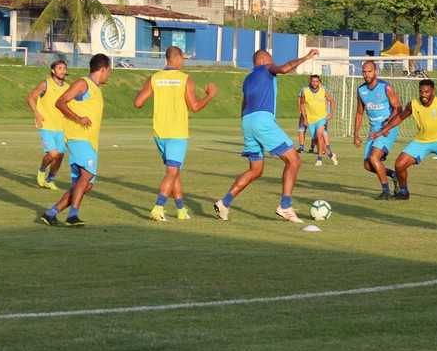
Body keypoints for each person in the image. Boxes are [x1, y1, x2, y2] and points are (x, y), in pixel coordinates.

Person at [213, 48, 319, 223]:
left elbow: (244, 103)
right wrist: (306, 58)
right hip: (262, 120)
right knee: (294, 160)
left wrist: (247, 125)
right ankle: (285, 206)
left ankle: (225, 203)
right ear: (263, 59)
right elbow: (285, 69)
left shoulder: (247, 79)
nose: (273, 62)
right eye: (271, 59)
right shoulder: (266, 68)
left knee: (256, 169)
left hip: (247, 121)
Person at [133, 46, 217, 221]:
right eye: (183, 59)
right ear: (177, 57)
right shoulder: (185, 79)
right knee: (172, 172)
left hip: (159, 132)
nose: (183, 62)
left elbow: (138, 102)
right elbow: (194, 107)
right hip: (177, 132)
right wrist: (209, 96)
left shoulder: (154, 78)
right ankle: (158, 207)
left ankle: (180, 209)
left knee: (174, 171)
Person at [40, 53, 111, 227]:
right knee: (86, 175)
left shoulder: (96, 89)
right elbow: (61, 102)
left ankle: (51, 213)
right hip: (79, 138)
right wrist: (78, 118)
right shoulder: (82, 83)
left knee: (86, 184)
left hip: (90, 141)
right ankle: (73, 216)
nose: (109, 75)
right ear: (103, 69)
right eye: (109, 71)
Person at [354, 60, 402, 200]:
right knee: (368, 165)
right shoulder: (361, 90)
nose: (366, 74)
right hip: (374, 129)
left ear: (375, 72)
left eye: (369, 71)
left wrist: (387, 123)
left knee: (374, 158)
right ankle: (393, 175)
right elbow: (359, 113)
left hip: (388, 127)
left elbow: (398, 108)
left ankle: (386, 191)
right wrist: (356, 134)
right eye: (364, 72)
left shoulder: (386, 87)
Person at [26, 60, 69, 191]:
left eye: (64, 68)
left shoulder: (68, 87)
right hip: (46, 126)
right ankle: (42, 170)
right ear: (53, 70)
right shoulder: (45, 84)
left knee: (60, 155)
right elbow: (30, 98)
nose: (62, 71)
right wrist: (37, 115)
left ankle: (50, 180)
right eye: (59, 68)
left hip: (61, 127)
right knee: (53, 154)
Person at [298, 74, 337, 166]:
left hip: (321, 118)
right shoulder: (305, 91)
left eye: (316, 81)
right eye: (313, 81)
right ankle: (331, 155)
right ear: (310, 82)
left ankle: (319, 159)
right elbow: (302, 104)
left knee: (319, 136)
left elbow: (332, 100)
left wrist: (331, 113)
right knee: (315, 141)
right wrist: (305, 117)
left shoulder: (323, 91)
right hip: (311, 120)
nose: (315, 83)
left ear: (319, 82)